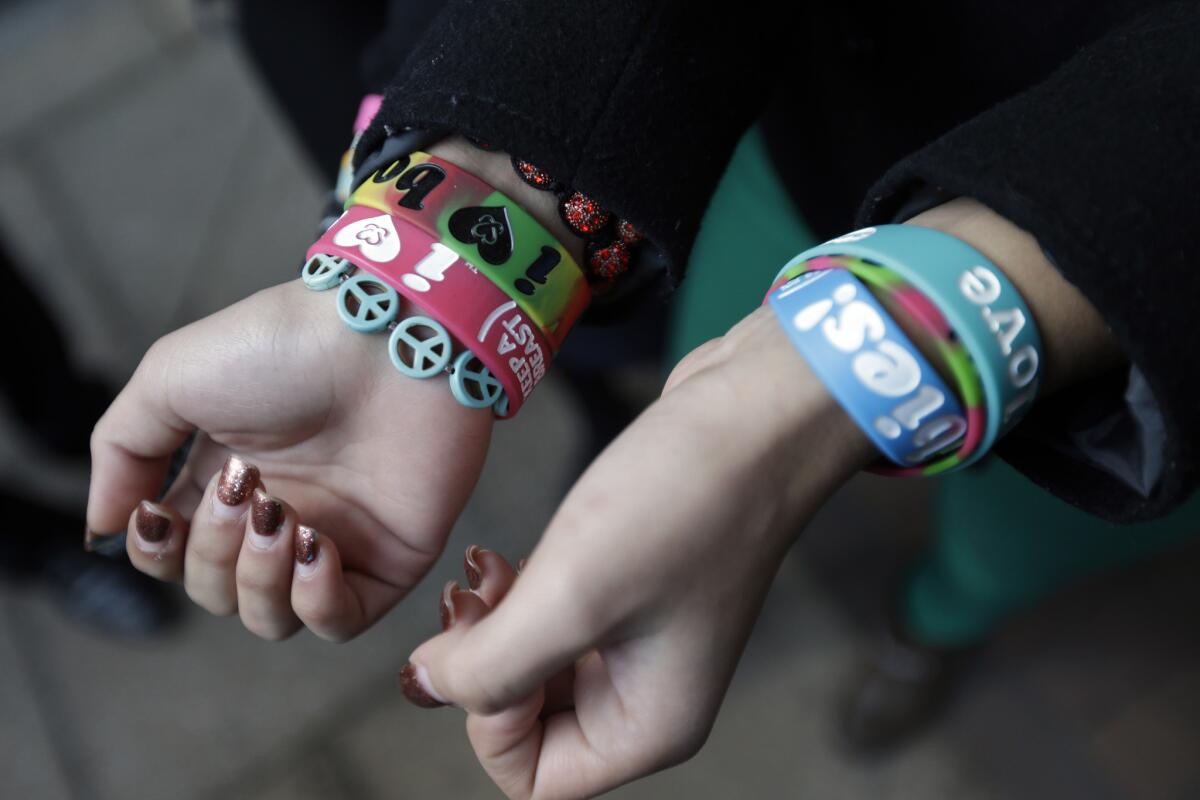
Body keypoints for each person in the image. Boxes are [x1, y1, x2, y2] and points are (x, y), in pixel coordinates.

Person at [84, 2, 1199, 797]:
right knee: (708, 357)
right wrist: (438, 245)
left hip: (1146, 302)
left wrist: (770, 419)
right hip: (821, 123)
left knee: (1016, 544)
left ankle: (931, 625)